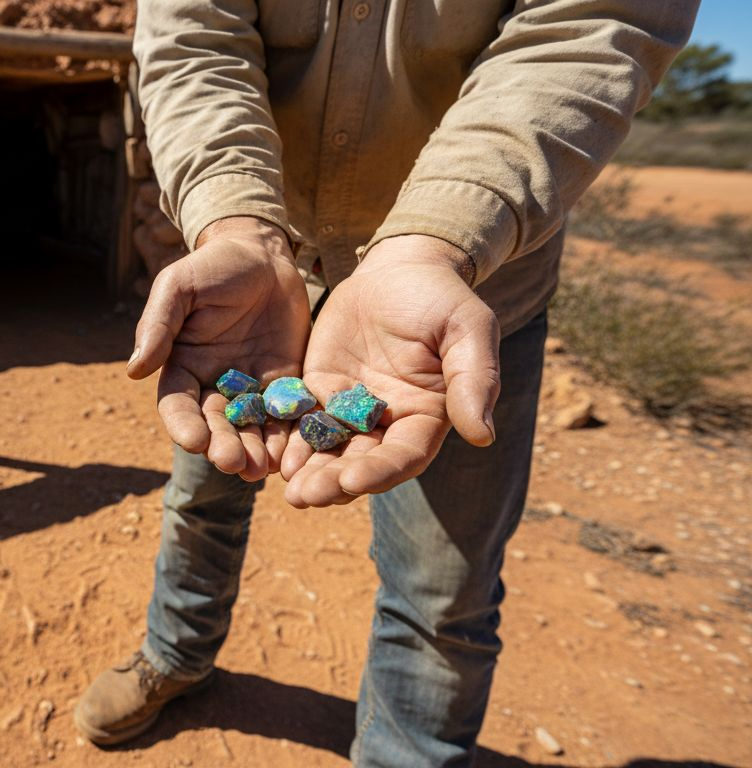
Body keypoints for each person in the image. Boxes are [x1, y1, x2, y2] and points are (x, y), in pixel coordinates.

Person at [74, 1, 698, 763]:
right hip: (263, 281)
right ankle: (176, 654)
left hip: (463, 289)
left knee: (445, 589)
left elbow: (587, 34)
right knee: (205, 488)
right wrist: (237, 223)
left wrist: (432, 244)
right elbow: (194, 39)